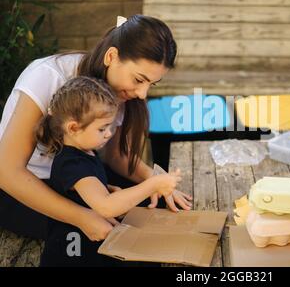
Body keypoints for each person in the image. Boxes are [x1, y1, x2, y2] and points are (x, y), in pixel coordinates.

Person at [0, 14, 192, 242]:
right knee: (91, 234)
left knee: (157, 207)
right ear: (112, 56)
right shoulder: (48, 76)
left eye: (152, 83)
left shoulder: (123, 93)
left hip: (79, 177)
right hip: (23, 186)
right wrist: (82, 217)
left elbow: (117, 156)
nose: (143, 94)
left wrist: (157, 182)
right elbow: (7, 172)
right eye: (139, 79)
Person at [36, 76, 180, 266]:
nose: (109, 133)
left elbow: (87, 189)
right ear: (73, 128)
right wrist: (153, 183)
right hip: (75, 256)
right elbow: (106, 207)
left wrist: (105, 187)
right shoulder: (72, 164)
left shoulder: (83, 151)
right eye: (102, 128)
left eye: (110, 126)